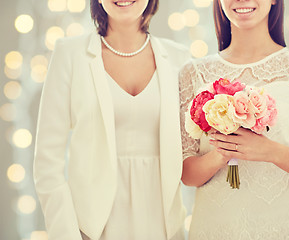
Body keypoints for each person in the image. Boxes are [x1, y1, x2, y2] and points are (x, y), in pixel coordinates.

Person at [179, 0, 289, 239]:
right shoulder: (192, 73)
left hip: (285, 224)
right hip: (216, 226)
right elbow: (186, 173)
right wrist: (223, 153)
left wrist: (268, 150)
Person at [33, 0, 191, 239]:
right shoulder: (70, 54)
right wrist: (67, 233)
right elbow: (47, 163)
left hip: (163, 226)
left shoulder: (180, 59)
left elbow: (194, 149)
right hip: (92, 228)